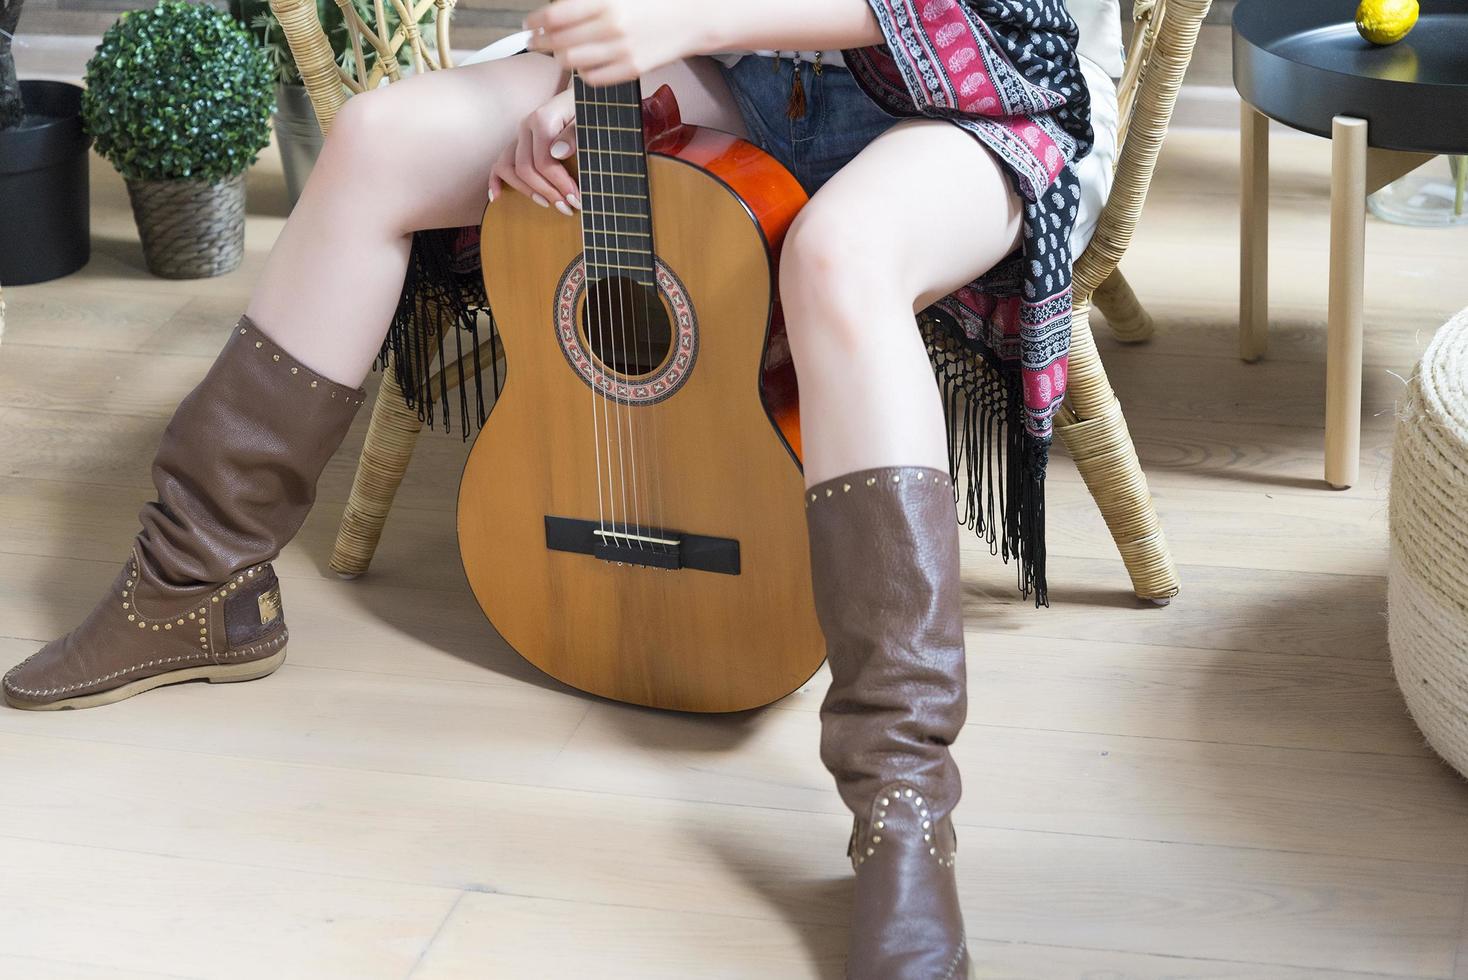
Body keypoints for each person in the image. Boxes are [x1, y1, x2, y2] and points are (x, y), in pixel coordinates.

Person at [5, 1, 1093, 976]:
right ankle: (192, 580)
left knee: (837, 257)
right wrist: (597, 87)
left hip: (961, 94)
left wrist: (683, 24)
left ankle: (901, 805)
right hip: (740, 67)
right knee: (379, 141)